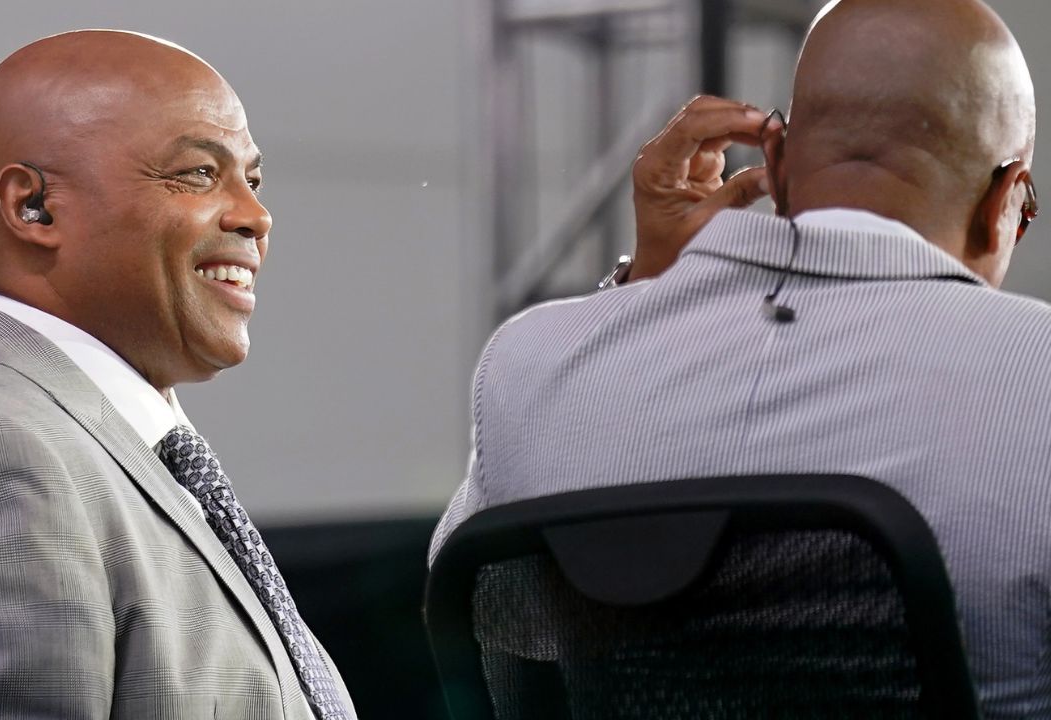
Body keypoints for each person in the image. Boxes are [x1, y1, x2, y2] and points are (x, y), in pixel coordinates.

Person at [431, 0, 1046, 714]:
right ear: (1004, 199)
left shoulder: (530, 368)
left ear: (776, 162)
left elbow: (500, 625)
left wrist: (644, 297)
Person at [0, 30, 355, 720]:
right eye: (199, 174)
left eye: (253, 179)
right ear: (33, 207)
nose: (254, 215)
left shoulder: (87, 450)